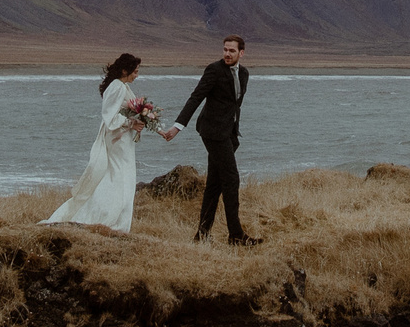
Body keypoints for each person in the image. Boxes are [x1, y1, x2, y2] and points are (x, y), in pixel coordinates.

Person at [43, 52, 177, 233]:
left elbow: (138, 114)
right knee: (118, 178)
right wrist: (131, 123)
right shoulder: (118, 87)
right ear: (124, 70)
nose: (137, 75)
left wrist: (158, 130)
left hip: (122, 139)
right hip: (117, 139)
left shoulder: (121, 85)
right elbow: (110, 118)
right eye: (135, 71)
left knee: (120, 176)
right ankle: (105, 218)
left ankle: (114, 219)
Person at [176, 34, 258, 245]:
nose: (227, 54)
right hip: (212, 133)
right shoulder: (214, 70)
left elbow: (234, 104)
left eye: (232, 51)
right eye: (225, 50)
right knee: (231, 179)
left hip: (228, 133)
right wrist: (178, 126)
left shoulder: (244, 73)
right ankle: (236, 235)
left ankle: (202, 234)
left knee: (214, 183)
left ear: (241, 53)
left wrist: (233, 129)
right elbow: (196, 97)